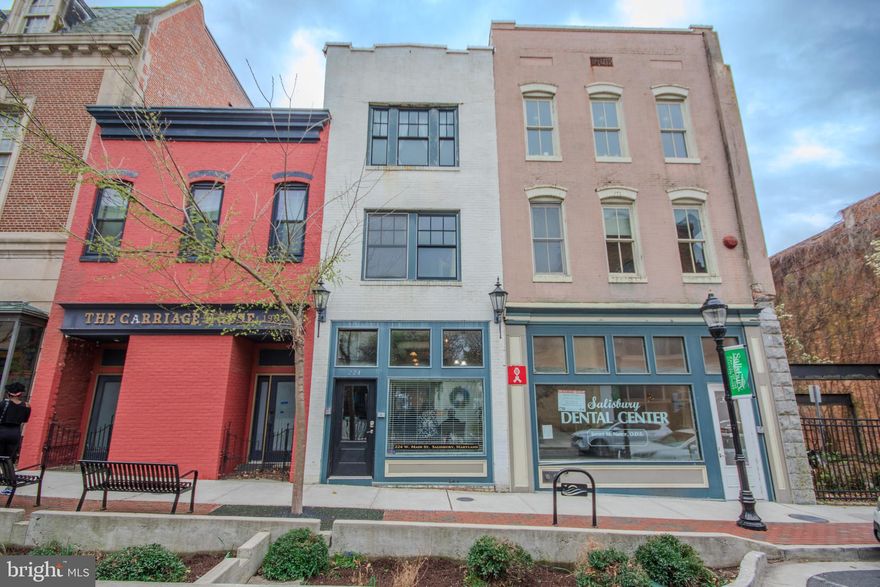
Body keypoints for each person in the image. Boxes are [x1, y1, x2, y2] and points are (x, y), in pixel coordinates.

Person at [0, 382, 31, 461]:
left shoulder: (3, 403)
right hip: (15, 432)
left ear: (8, 394)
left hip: (2, 431)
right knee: (9, 458)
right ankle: (8, 472)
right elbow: (25, 420)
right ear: (20, 394)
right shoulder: (26, 405)